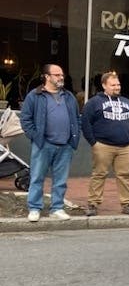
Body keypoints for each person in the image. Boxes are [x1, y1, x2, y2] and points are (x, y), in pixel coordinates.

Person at [20, 63, 81, 222]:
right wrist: (35, 136)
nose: (61, 77)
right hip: (43, 144)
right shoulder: (35, 95)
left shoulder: (69, 96)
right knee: (37, 177)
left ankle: (57, 208)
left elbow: (76, 118)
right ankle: (34, 208)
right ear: (47, 77)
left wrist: (73, 137)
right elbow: (26, 120)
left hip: (65, 145)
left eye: (62, 75)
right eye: (57, 75)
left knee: (60, 180)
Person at [81, 71, 129, 216]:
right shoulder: (94, 102)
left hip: (126, 146)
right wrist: (93, 143)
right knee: (99, 174)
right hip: (103, 145)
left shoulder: (127, 102)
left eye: (118, 84)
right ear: (104, 86)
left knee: (124, 175)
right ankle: (93, 204)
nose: (117, 87)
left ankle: (127, 204)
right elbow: (85, 122)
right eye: (113, 85)